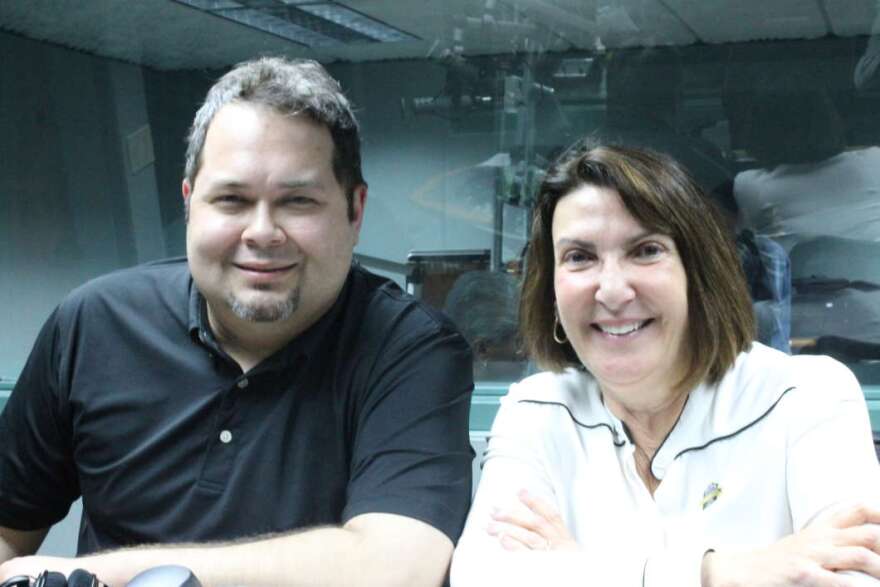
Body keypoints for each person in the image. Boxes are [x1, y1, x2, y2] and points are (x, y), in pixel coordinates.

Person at [0, 57, 474, 587]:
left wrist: (91, 575)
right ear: (189, 205)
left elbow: (397, 568)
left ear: (354, 211)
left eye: (298, 201)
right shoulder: (93, 324)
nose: (263, 232)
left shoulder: (411, 349)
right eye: (232, 200)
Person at [450, 143, 880, 586]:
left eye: (645, 250)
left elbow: (855, 580)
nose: (613, 291)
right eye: (579, 257)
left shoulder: (807, 398)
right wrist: (718, 572)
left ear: (699, 273)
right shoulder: (536, 412)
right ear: (552, 293)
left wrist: (577, 568)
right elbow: (484, 577)